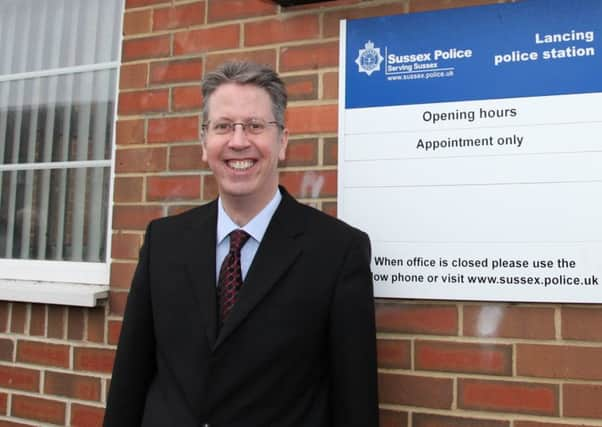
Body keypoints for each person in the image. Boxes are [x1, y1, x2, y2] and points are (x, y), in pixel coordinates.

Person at [104, 61, 379, 427]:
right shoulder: (163, 242)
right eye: (223, 126)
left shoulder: (338, 252)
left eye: (254, 126)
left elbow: (354, 405)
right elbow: (129, 381)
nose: (238, 141)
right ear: (204, 142)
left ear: (281, 141)